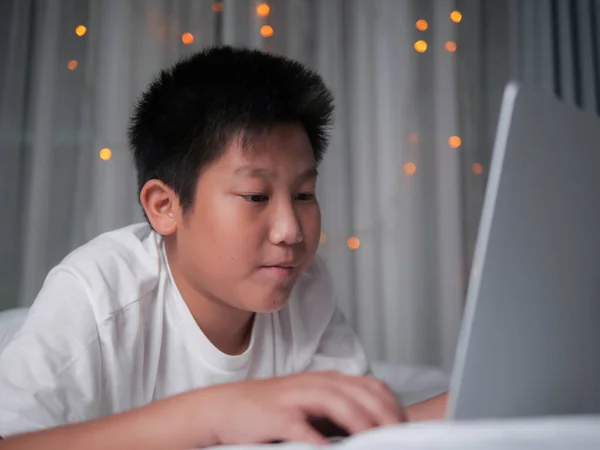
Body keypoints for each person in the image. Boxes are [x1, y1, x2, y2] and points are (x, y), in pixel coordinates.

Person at [0, 46, 447, 449]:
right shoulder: (94, 293)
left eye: (304, 194)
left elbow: (356, 431)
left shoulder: (305, 286)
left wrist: (455, 409)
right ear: (164, 207)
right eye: (256, 196)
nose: (290, 230)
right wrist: (213, 415)